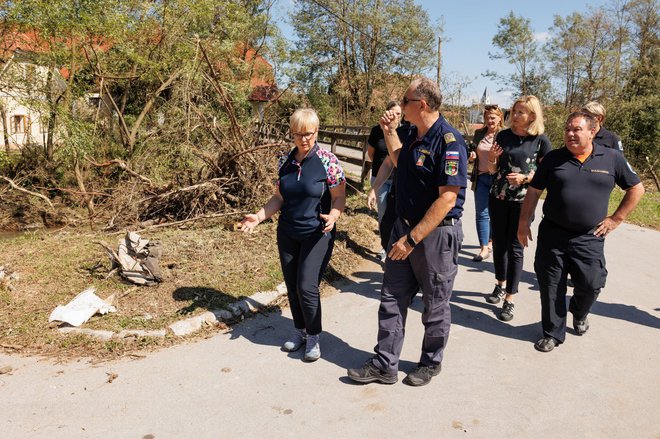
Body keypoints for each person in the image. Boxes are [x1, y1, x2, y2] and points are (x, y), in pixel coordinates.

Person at [347, 77, 468, 386]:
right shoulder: (411, 133)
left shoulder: (450, 142)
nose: (400, 106)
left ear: (422, 104)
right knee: (391, 296)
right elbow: (401, 161)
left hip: (435, 236)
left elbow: (448, 197)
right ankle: (385, 363)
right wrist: (388, 132)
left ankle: (430, 362)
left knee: (435, 303)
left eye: (405, 100)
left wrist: (413, 239)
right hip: (403, 228)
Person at [517, 111, 644, 352]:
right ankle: (552, 332)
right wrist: (524, 222)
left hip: (590, 236)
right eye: (567, 129)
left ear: (592, 132)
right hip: (553, 234)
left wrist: (616, 219)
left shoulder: (612, 158)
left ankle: (579, 310)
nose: (570, 134)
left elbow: (636, 189)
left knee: (591, 283)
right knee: (551, 284)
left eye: (576, 129)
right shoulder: (554, 159)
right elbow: (533, 191)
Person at [239, 108, 346, 362]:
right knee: (292, 286)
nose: (304, 139)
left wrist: (333, 215)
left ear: (316, 132)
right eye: (298, 134)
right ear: (292, 134)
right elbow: (279, 197)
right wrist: (258, 216)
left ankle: (314, 337)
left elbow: (340, 197)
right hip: (288, 232)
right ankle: (300, 332)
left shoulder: (328, 161)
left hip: (317, 233)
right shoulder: (285, 161)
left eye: (308, 134)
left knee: (306, 286)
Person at [485, 95, 552, 321]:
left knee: (515, 247)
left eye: (520, 112)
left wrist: (525, 178)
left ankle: (510, 298)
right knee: (500, 244)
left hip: (524, 201)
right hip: (498, 197)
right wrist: (492, 159)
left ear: (532, 116)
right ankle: (499, 284)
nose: (514, 116)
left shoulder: (541, 141)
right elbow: (492, 170)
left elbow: (547, 174)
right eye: (514, 111)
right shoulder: (503, 136)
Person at [366, 101, 403, 259]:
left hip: (398, 180)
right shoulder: (376, 131)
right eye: (393, 112)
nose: (395, 116)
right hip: (380, 178)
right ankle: (384, 246)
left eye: (399, 114)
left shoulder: (405, 132)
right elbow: (371, 153)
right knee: (382, 214)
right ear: (387, 112)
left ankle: (395, 245)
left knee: (396, 215)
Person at [468, 104, 504, 261]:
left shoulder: (505, 135)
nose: (490, 120)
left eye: (493, 117)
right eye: (487, 117)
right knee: (481, 213)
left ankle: (491, 241)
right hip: (481, 177)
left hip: (498, 179)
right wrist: (472, 156)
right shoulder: (479, 133)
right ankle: (483, 247)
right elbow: (474, 151)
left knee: (495, 213)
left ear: (500, 118)